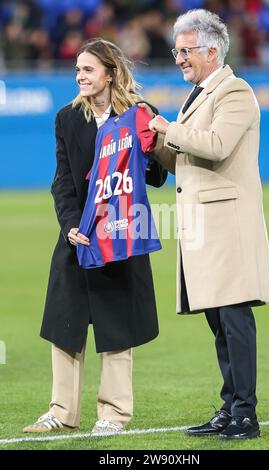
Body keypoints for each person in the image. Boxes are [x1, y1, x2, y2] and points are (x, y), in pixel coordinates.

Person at [23, 38, 167, 435]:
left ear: (110, 73)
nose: (80, 77)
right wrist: (70, 225)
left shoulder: (140, 113)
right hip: (79, 237)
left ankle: (113, 415)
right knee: (64, 324)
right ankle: (60, 412)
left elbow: (154, 178)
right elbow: (62, 182)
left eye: (88, 69)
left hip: (121, 237)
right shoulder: (68, 118)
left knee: (117, 327)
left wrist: (153, 146)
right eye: (77, 70)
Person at [145, 9, 269, 440]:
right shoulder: (199, 94)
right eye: (176, 51)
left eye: (185, 51)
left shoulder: (234, 91)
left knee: (235, 320)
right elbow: (186, 160)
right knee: (219, 322)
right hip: (206, 227)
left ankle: (246, 415)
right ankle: (229, 405)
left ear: (212, 50)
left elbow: (217, 147)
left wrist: (169, 129)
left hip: (229, 226)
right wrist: (155, 145)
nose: (179, 58)